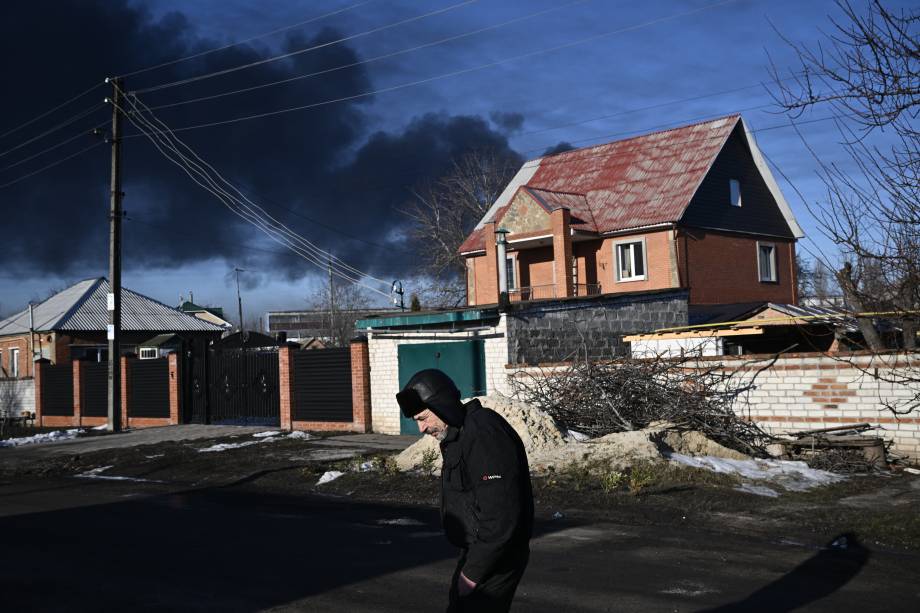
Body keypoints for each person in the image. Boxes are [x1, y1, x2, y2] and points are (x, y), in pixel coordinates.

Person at [396, 369, 534, 612]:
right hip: (480, 551)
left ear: (441, 405)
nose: (421, 429)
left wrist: (473, 572)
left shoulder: (483, 433)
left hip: (496, 556)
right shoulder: (460, 435)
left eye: (423, 418)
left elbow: (501, 514)